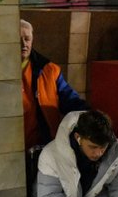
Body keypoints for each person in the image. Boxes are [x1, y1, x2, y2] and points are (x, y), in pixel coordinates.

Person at [20, 19, 89, 149]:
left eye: (27, 39)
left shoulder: (49, 70)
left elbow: (70, 100)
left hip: (44, 146)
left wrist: (90, 115)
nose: (24, 44)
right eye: (19, 39)